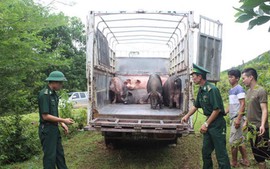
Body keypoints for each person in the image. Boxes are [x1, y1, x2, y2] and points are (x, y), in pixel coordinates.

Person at [181, 63, 231, 169]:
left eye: (194, 77)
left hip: (217, 124)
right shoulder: (201, 89)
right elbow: (196, 106)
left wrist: (206, 124)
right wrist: (187, 116)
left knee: (221, 154)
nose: (193, 79)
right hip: (209, 123)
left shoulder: (212, 89)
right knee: (205, 152)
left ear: (200, 77)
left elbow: (217, 110)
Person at [38, 71, 74, 169]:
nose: (61, 85)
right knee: (50, 158)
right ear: (54, 82)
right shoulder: (44, 95)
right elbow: (45, 116)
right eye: (60, 83)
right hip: (47, 130)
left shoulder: (54, 94)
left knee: (59, 155)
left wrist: (62, 123)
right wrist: (64, 120)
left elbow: (53, 113)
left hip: (54, 129)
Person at [242, 68, 269, 169]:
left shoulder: (260, 90)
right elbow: (250, 109)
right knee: (256, 154)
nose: (243, 80)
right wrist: (246, 122)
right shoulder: (248, 92)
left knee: (262, 155)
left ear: (251, 77)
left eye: (244, 78)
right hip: (251, 128)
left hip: (260, 128)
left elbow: (264, 110)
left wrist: (262, 125)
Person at [225, 69, 249, 167]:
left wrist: (238, 119)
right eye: (229, 76)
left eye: (231, 77)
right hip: (233, 118)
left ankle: (234, 162)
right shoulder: (231, 90)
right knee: (239, 140)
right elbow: (231, 105)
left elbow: (243, 104)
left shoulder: (239, 89)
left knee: (233, 141)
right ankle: (245, 160)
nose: (229, 79)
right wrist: (223, 112)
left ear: (237, 78)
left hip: (237, 118)